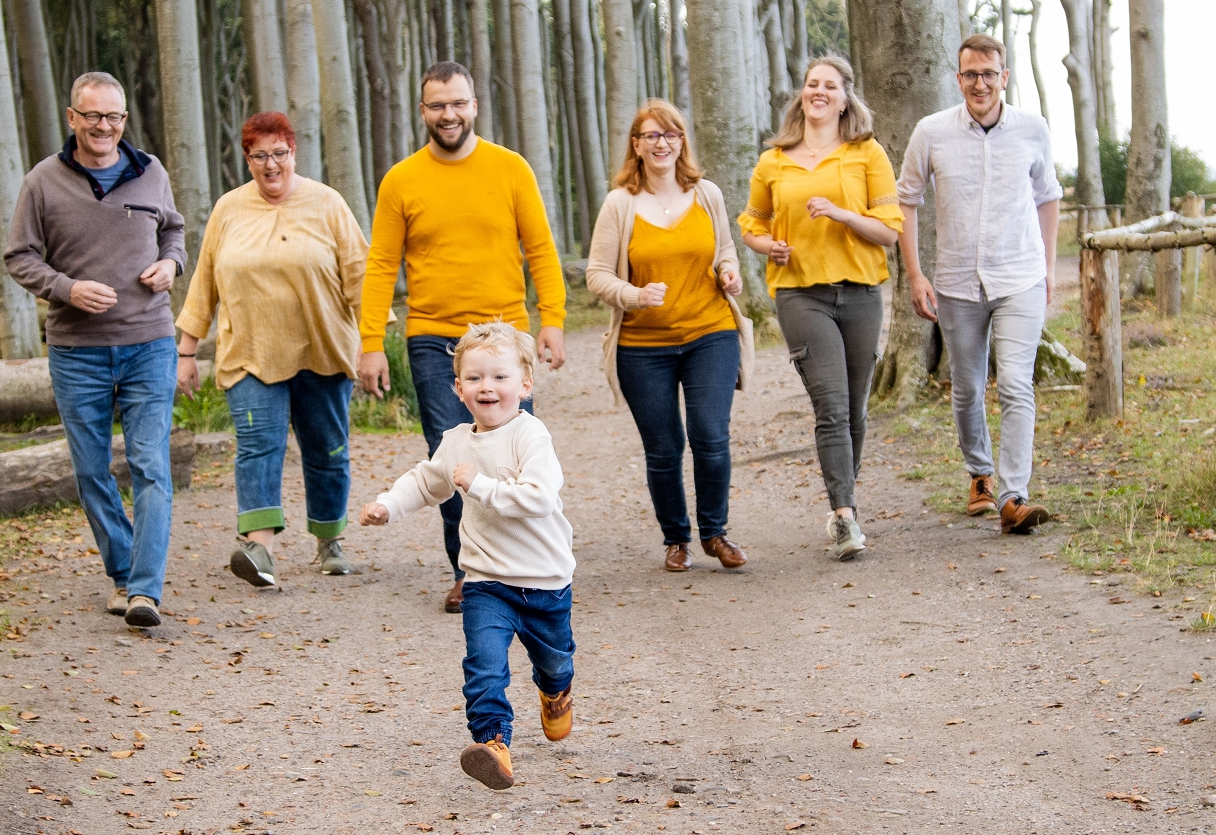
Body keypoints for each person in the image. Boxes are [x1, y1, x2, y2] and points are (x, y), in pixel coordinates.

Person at [357, 61, 567, 614]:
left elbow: (541, 249)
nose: (448, 114)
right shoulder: (401, 179)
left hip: (503, 335)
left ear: (474, 105)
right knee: (449, 453)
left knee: (514, 447)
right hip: (433, 335)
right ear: (423, 110)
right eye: (436, 105)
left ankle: (526, 563)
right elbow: (381, 265)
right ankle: (468, 572)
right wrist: (371, 340)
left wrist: (553, 320)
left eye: (458, 103)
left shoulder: (511, 169)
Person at [360, 323, 574, 791]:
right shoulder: (456, 440)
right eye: (474, 378)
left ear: (525, 384)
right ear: (458, 388)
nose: (487, 388)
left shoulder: (531, 436)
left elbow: (538, 497)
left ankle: (556, 691)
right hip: (485, 583)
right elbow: (425, 481)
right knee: (483, 665)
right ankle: (493, 744)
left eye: (499, 377)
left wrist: (480, 485)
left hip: (545, 581)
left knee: (555, 662)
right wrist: (387, 506)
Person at [5, 72, 183, 629]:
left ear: (124, 120)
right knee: (91, 470)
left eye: (114, 117)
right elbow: (19, 256)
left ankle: (145, 590)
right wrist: (66, 288)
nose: (104, 127)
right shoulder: (43, 182)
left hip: (149, 342)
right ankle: (122, 573)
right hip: (77, 349)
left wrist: (171, 265)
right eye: (93, 116)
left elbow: (174, 232)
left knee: (151, 463)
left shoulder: (151, 171)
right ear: (72, 118)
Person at [175, 112, 367, 588]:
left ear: (293, 152)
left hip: (322, 348)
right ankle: (259, 548)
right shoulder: (228, 209)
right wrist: (186, 350)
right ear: (247, 159)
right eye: (259, 156)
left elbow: (361, 275)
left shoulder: (327, 203)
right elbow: (204, 280)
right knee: (258, 446)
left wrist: (375, 345)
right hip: (250, 351)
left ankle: (329, 539)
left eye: (278, 153)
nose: (270, 165)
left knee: (326, 448)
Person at [739, 56, 903, 561]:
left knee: (854, 410)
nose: (819, 92)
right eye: (812, 84)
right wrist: (770, 248)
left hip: (859, 293)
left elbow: (889, 232)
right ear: (802, 95)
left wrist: (842, 214)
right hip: (801, 294)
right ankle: (845, 517)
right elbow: (752, 223)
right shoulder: (775, 159)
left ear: (845, 97)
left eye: (829, 86)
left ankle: (841, 503)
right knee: (830, 405)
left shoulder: (866, 153)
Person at [899, 33, 1061, 536]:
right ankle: (980, 474)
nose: (980, 83)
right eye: (970, 74)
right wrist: (915, 273)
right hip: (956, 283)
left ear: (1004, 77)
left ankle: (1014, 496)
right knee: (967, 388)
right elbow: (906, 199)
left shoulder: (1033, 129)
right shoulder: (931, 132)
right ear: (958, 78)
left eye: (989, 74)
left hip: (1020, 276)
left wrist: (1049, 266)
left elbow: (1048, 196)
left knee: (1015, 383)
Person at [585, 99, 755, 572]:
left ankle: (715, 534)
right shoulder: (620, 204)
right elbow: (597, 275)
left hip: (710, 332)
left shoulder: (707, 194)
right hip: (643, 348)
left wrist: (728, 272)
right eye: (651, 136)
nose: (662, 143)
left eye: (671, 134)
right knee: (663, 447)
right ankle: (676, 537)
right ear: (636, 146)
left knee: (710, 434)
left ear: (682, 141)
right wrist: (634, 295)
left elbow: (724, 249)